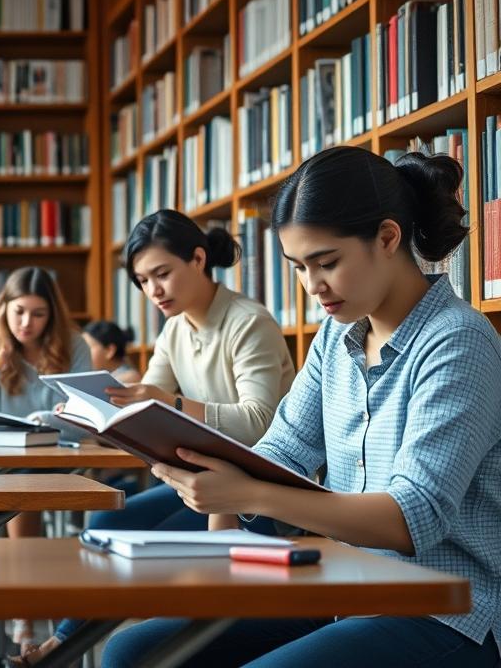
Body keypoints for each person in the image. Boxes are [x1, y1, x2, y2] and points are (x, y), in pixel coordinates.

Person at [102, 147, 501, 667]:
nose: (313, 286)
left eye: (327, 262)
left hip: (446, 610)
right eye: (298, 268)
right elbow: (284, 447)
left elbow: (413, 518)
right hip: (344, 586)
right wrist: (219, 493)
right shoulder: (336, 339)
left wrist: (249, 492)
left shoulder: (457, 342)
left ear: (387, 238)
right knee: (133, 650)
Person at [17, 210, 295, 666]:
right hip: (202, 477)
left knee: (136, 546)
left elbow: (260, 421)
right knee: (104, 524)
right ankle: (64, 646)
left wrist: (170, 404)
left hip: (259, 491)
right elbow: (141, 406)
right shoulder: (175, 329)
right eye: (143, 282)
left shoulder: (248, 322)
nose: (153, 291)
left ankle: (59, 649)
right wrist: (98, 417)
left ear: (199, 259)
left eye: (162, 274)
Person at [0, 266, 90, 650]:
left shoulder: (73, 346)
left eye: (38, 314)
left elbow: (85, 418)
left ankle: (24, 610)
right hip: (2, 461)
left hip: (60, 456)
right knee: (19, 486)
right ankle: (26, 608)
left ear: (51, 316)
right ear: (4, 309)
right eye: (19, 311)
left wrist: (42, 421)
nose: (27, 322)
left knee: (22, 487)